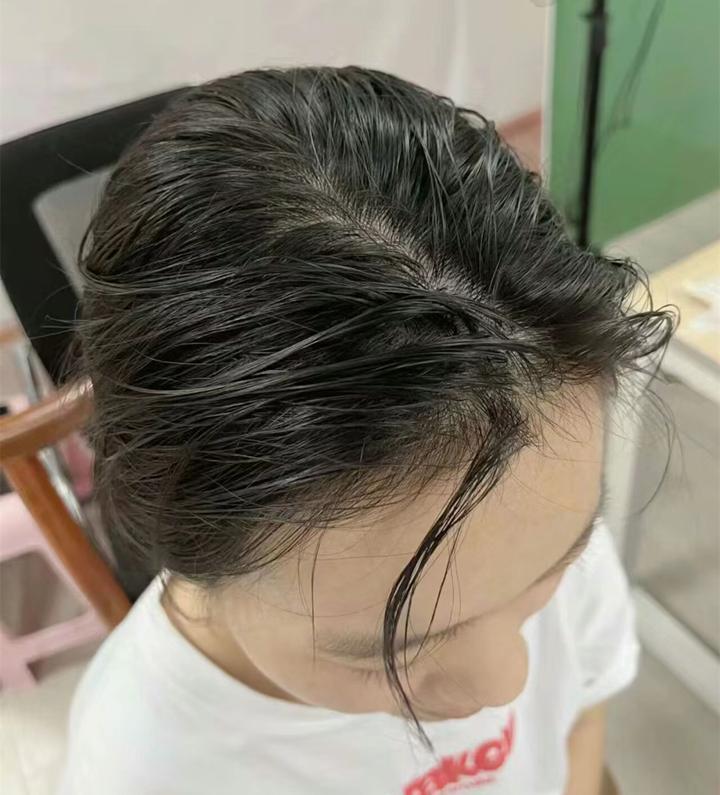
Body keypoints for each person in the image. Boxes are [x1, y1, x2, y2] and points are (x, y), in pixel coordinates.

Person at [60, 66, 673, 795]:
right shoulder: (148, 767)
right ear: (189, 549)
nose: (505, 682)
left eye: (554, 571)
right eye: (393, 653)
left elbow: (579, 719)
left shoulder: (531, 527)